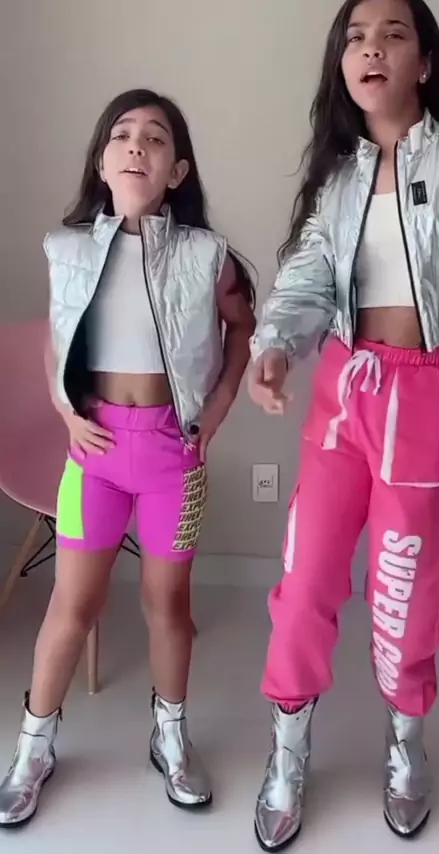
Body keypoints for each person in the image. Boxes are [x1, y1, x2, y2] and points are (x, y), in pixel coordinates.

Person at [248, 0, 439, 848]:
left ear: (425, 63)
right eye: (356, 37)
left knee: (406, 587)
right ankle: (288, 747)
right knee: (305, 577)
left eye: (393, 34)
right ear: (342, 65)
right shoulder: (339, 178)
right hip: (347, 389)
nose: (372, 48)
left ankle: (405, 741)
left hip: (432, 393)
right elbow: (308, 275)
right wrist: (275, 345)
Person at [0, 88, 255, 827]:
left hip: (176, 458)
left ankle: (169, 735)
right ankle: (33, 748)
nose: (137, 145)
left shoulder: (206, 255)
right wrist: (63, 411)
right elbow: (58, 339)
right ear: (102, 161)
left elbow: (243, 329)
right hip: (96, 458)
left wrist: (217, 409)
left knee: (168, 605)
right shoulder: (69, 249)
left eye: (156, 137)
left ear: (177, 171)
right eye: (122, 134)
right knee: (70, 605)